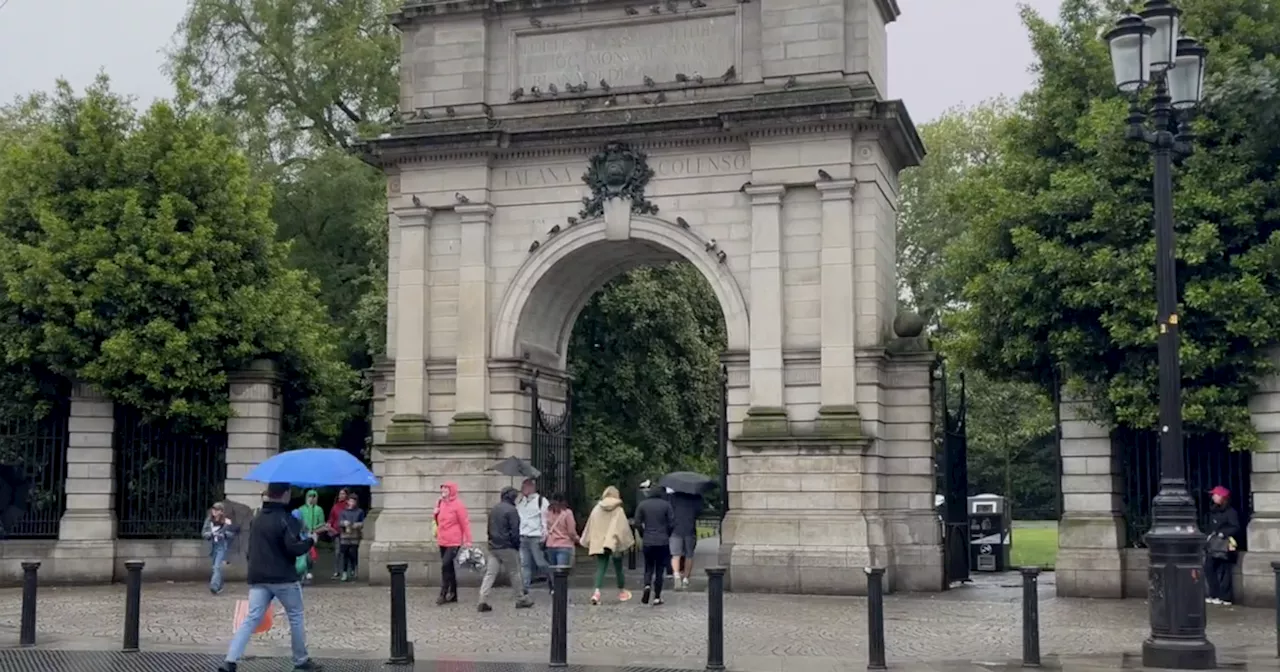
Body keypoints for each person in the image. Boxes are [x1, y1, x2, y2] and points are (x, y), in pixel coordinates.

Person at [218, 482, 318, 672]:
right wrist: (311, 540)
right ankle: (301, 660)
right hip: (283, 578)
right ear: (286, 494)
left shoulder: (256, 518)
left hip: (258, 576)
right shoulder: (286, 519)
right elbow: (294, 549)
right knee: (295, 616)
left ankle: (230, 660)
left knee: (251, 618)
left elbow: (251, 548)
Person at [478, 486, 534, 612]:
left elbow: (489, 528)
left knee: (490, 574)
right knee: (515, 572)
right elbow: (515, 531)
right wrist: (516, 545)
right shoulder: (512, 511)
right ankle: (521, 598)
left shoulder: (494, 509)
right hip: (507, 546)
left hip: (494, 546)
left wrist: (491, 542)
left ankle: (482, 599)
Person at [580, 485, 635, 605]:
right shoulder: (618, 510)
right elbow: (622, 527)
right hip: (613, 542)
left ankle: (596, 592)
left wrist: (589, 541)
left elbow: (591, 525)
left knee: (601, 567)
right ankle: (621, 591)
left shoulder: (597, 509)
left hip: (600, 542)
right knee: (618, 567)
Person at [633, 483, 675, 605]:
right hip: (662, 541)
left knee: (648, 567)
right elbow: (672, 523)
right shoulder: (666, 505)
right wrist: (667, 533)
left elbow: (637, 523)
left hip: (648, 540)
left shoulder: (643, 505)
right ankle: (657, 596)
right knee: (660, 569)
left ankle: (646, 585)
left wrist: (642, 534)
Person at [434, 482, 472, 605]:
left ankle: (443, 593)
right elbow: (438, 521)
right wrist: (435, 513)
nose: (443, 490)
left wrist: (468, 540)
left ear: (452, 490)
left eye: (446, 488)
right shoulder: (440, 503)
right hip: (442, 539)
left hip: (454, 541)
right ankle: (454, 593)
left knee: (445, 565)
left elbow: (464, 523)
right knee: (449, 566)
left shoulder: (458, 505)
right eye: (442, 488)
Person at [1205, 485, 1241, 606]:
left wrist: (1222, 533)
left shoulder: (1231, 512)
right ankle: (1214, 594)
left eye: (1216, 495)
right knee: (1209, 567)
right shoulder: (1214, 510)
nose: (1213, 497)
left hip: (1225, 545)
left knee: (1225, 571)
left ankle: (1225, 597)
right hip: (1214, 544)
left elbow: (1235, 527)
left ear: (1223, 497)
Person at [517, 477, 551, 594]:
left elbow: (545, 519)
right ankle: (524, 588)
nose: (522, 489)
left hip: (535, 536)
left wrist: (545, 533)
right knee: (524, 564)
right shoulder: (521, 501)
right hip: (523, 535)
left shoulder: (541, 501)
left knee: (540, 562)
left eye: (524, 486)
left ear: (531, 487)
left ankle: (553, 581)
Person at [669, 490, 703, 589]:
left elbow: (669, 512)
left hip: (676, 529)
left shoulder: (673, 497)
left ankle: (676, 575)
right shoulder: (695, 497)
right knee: (689, 555)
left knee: (675, 555)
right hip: (690, 529)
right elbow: (699, 512)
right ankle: (686, 578)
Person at [202, 502, 237, 595]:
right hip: (212, 545)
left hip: (221, 546)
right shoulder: (209, 521)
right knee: (215, 567)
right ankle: (219, 586)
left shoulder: (226, 522)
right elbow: (204, 533)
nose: (214, 511)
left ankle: (214, 586)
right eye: (213, 509)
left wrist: (224, 534)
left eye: (217, 510)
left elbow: (232, 534)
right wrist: (211, 534)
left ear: (221, 512)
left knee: (217, 566)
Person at [292, 490, 326, 582]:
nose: (312, 498)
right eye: (310, 496)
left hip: (314, 534)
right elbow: (297, 520)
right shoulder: (301, 509)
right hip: (302, 534)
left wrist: (315, 529)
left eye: (314, 496)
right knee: (302, 554)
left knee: (311, 554)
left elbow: (322, 523)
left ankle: (308, 571)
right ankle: (303, 572)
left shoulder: (319, 509)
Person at [544, 492, 579, 569]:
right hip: (564, 544)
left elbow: (545, 527)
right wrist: (577, 539)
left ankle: (553, 581)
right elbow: (571, 532)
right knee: (561, 572)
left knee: (553, 571)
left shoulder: (548, 512)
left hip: (550, 545)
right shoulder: (568, 513)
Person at [337, 493, 366, 581]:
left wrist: (357, 525)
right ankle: (345, 572)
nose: (351, 502)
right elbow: (339, 522)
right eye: (350, 500)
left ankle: (354, 568)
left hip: (355, 536)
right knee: (344, 554)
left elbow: (362, 522)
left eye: (353, 501)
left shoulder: (359, 511)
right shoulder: (343, 512)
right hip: (345, 536)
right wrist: (344, 523)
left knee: (353, 553)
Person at [327, 488, 349, 579]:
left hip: (346, 531)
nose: (341, 495)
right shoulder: (335, 506)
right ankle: (336, 570)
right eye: (340, 494)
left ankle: (346, 570)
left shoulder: (348, 505)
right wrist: (329, 524)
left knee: (346, 552)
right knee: (337, 552)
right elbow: (331, 518)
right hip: (336, 531)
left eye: (343, 494)